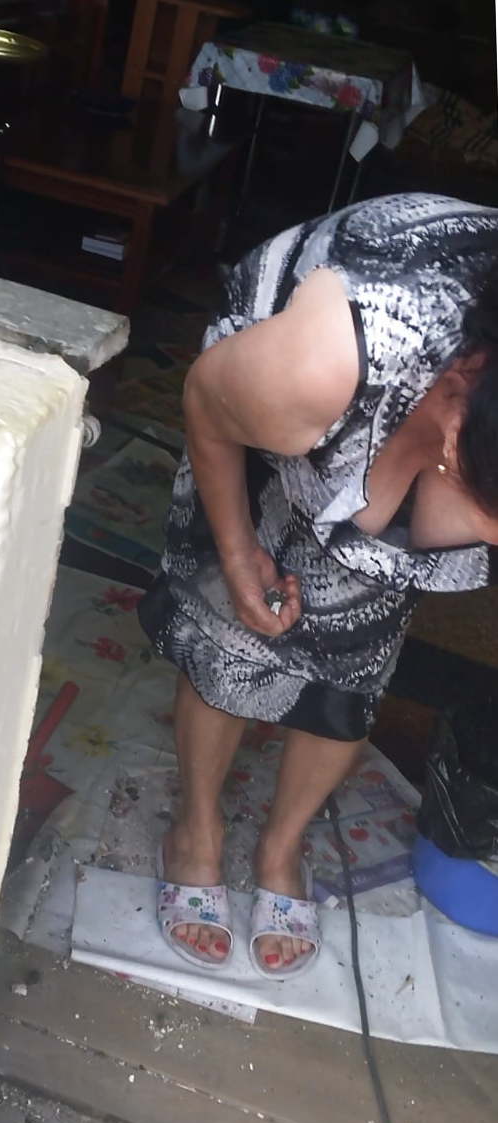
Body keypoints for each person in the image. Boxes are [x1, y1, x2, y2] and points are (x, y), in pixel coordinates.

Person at [139, 192, 498, 978]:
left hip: (424, 420)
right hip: (276, 414)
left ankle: (281, 847)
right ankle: (196, 831)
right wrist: (238, 554)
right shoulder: (330, 356)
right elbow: (207, 402)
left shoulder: (472, 438)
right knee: (234, 639)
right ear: (457, 429)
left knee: (354, 658)